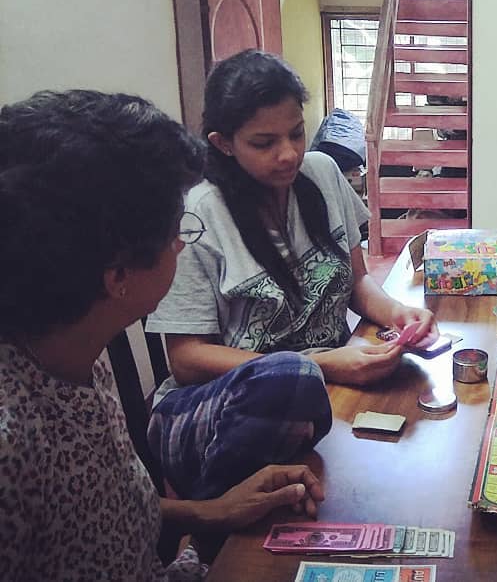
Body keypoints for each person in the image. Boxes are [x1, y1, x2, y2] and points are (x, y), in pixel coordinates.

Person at [0, 90, 324, 581]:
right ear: (118, 276)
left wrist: (209, 511)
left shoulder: (75, 345)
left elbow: (100, 509)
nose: (181, 242)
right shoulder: (12, 441)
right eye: (178, 231)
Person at [146, 50, 437, 501]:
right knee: (291, 384)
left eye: (297, 133)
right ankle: (215, 537)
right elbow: (185, 359)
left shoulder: (321, 172)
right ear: (223, 143)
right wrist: (321, 364)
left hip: (319, 394)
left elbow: (357, 282)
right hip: (221, 414)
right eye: (264, 143)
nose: (288, 154)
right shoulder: (198, 216)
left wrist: (400, 313)